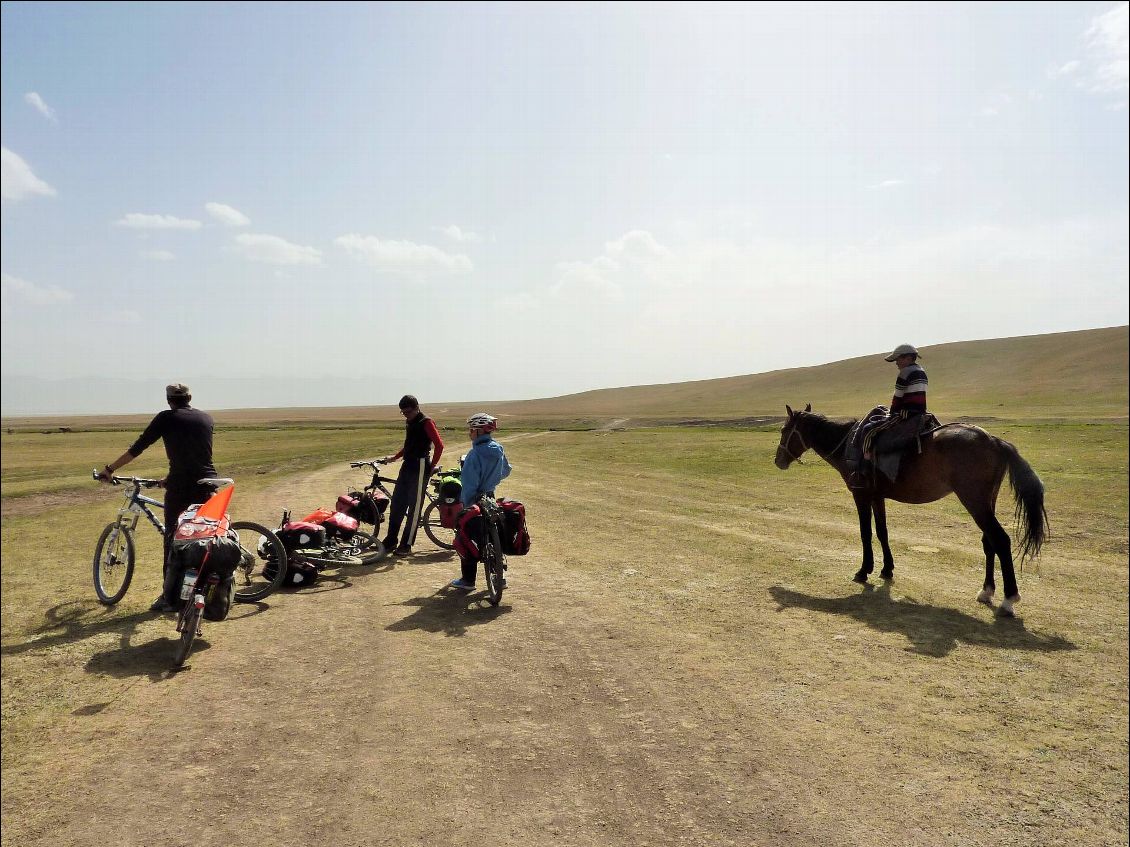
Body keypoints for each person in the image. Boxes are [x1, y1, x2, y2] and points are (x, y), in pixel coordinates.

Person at [95, 383, 218, 612]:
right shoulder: (206, 418)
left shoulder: (166, 418)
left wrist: (109, 469)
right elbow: (194, 455)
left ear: (169, 399)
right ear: (189, 397)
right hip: (208, 482)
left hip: (183, 485)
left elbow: (138, 447)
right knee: (206, 534)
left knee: (173, 539)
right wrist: (169, 478)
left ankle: (169, 598)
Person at [849, 344, 929, 489]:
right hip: (921, 413)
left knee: (868, 430)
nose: (896, 363)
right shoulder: (921, 371)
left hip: (906, 415)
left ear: (909, 357)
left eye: (898, 359)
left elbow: (897, 399)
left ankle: (865, 469)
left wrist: (891, 415)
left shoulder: (905, 373)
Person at [450, 412, 512, 591]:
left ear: (478, 432)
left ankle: (468, 580)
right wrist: (491, 479)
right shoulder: (498, 449)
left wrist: (465, 505)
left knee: (465, 536)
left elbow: (469, 484)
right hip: (490, 497)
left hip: (475, 501)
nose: (469, 433)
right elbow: (506, 470)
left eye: (471, 430)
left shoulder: (474, 454)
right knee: (493, 537)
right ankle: (500, 576)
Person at [379, 395, 444, 556]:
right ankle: (391, 540)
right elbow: (409, 446)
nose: (406, 415)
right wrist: (395, 457)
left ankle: (406, 544)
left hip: (421, 465)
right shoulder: (410, 422)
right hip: (407, 465)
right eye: (403, 413)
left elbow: (439, 446)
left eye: (408, 412)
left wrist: (432, 466)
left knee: (414, 509)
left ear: (416, 408)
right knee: (397, 504)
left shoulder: (426, 422)